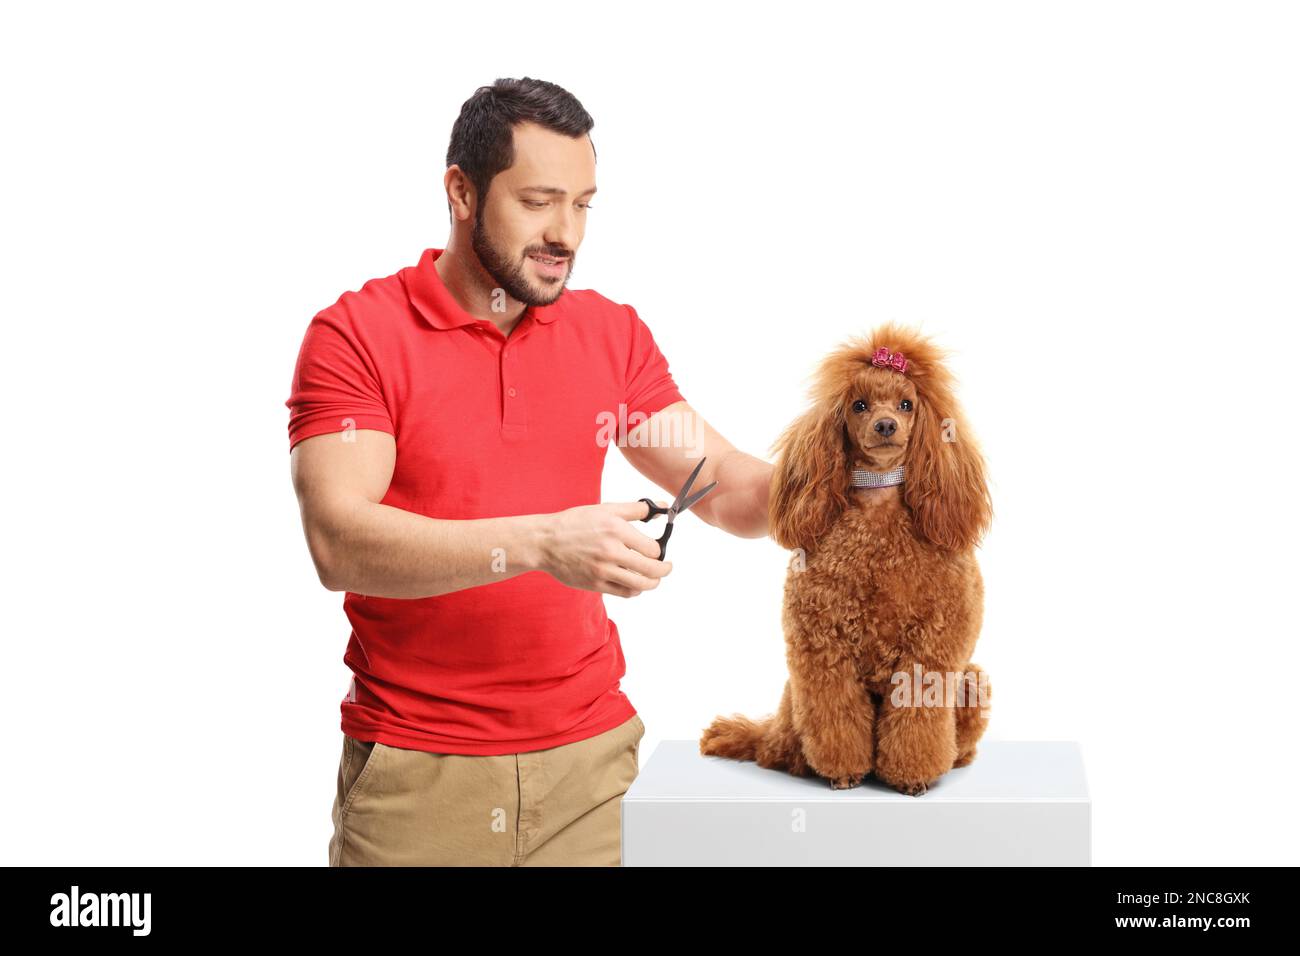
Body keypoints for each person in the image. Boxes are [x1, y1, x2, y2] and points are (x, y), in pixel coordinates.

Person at [285, 77, 772, 866]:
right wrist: (544, 543)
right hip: (420, 778)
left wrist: (857, 481)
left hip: (591, 770)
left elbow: (725, 483)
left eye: (583, 204)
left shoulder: (609, 335)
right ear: (461, 192)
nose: (567, 233)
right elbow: (339, 540)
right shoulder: (359, 335)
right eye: (540, 201)